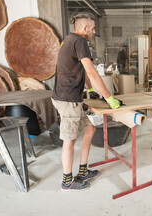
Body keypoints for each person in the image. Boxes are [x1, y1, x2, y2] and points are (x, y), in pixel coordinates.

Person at [51, 11, 121, 191]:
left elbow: (82, 70)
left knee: (89, 129)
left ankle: (82, 170)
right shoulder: (80, 41)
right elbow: (91, 71)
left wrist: (89, 89)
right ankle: (67, 181)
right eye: (92, 28)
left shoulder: (69, 39)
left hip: (68, 97)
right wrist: (109, 97)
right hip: (68, 100)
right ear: (84, 28)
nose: (93, 32)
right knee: (69, 140)